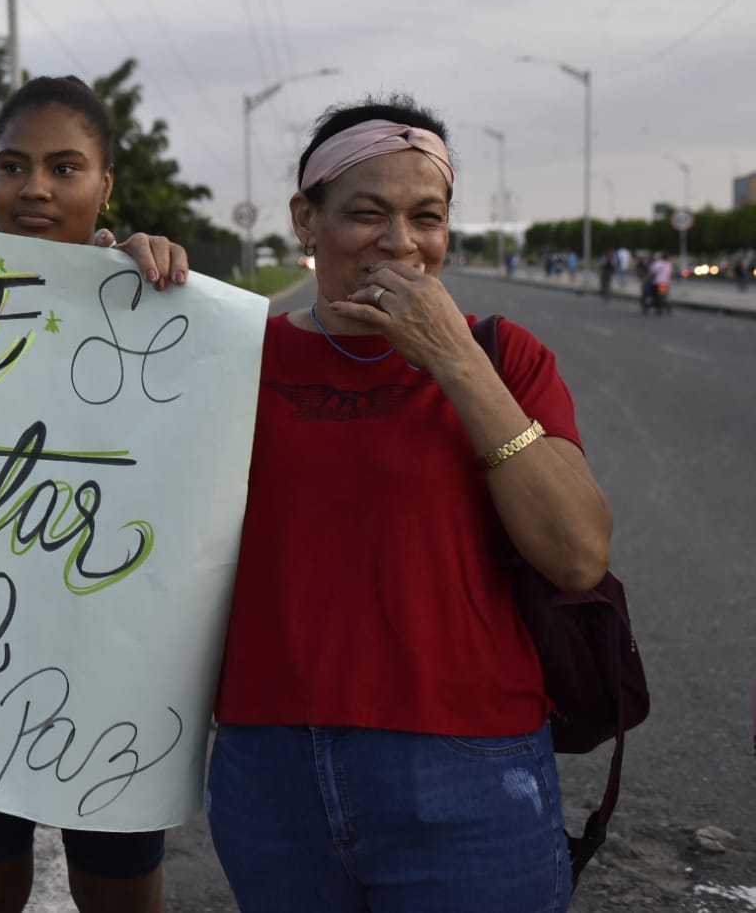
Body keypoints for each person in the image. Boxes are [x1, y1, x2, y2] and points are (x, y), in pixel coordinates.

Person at [208, 97, 612, 912]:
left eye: (425, 217)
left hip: (468, 768)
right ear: (304, 221)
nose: (400, 243)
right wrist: (104, 283)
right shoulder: (231, 355)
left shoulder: (505, 356)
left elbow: (574, 552)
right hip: (271, 768)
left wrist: (453, 363)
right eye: (365, 214)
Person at [0, 74, 187, 913]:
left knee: (118, 895)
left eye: (64, 167)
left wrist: (160, 283)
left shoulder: (157, 308)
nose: (34, 187)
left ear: (106, 182)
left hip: (112, 669)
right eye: (13, 165)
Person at [645, 251, 673, 316]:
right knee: (664, 296)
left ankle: (658, 308)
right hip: (666, 282)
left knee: (655, 296)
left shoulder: (657, 264)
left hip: (657, 282)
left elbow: (652, 273)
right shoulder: (668, 264)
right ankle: (667, 308)